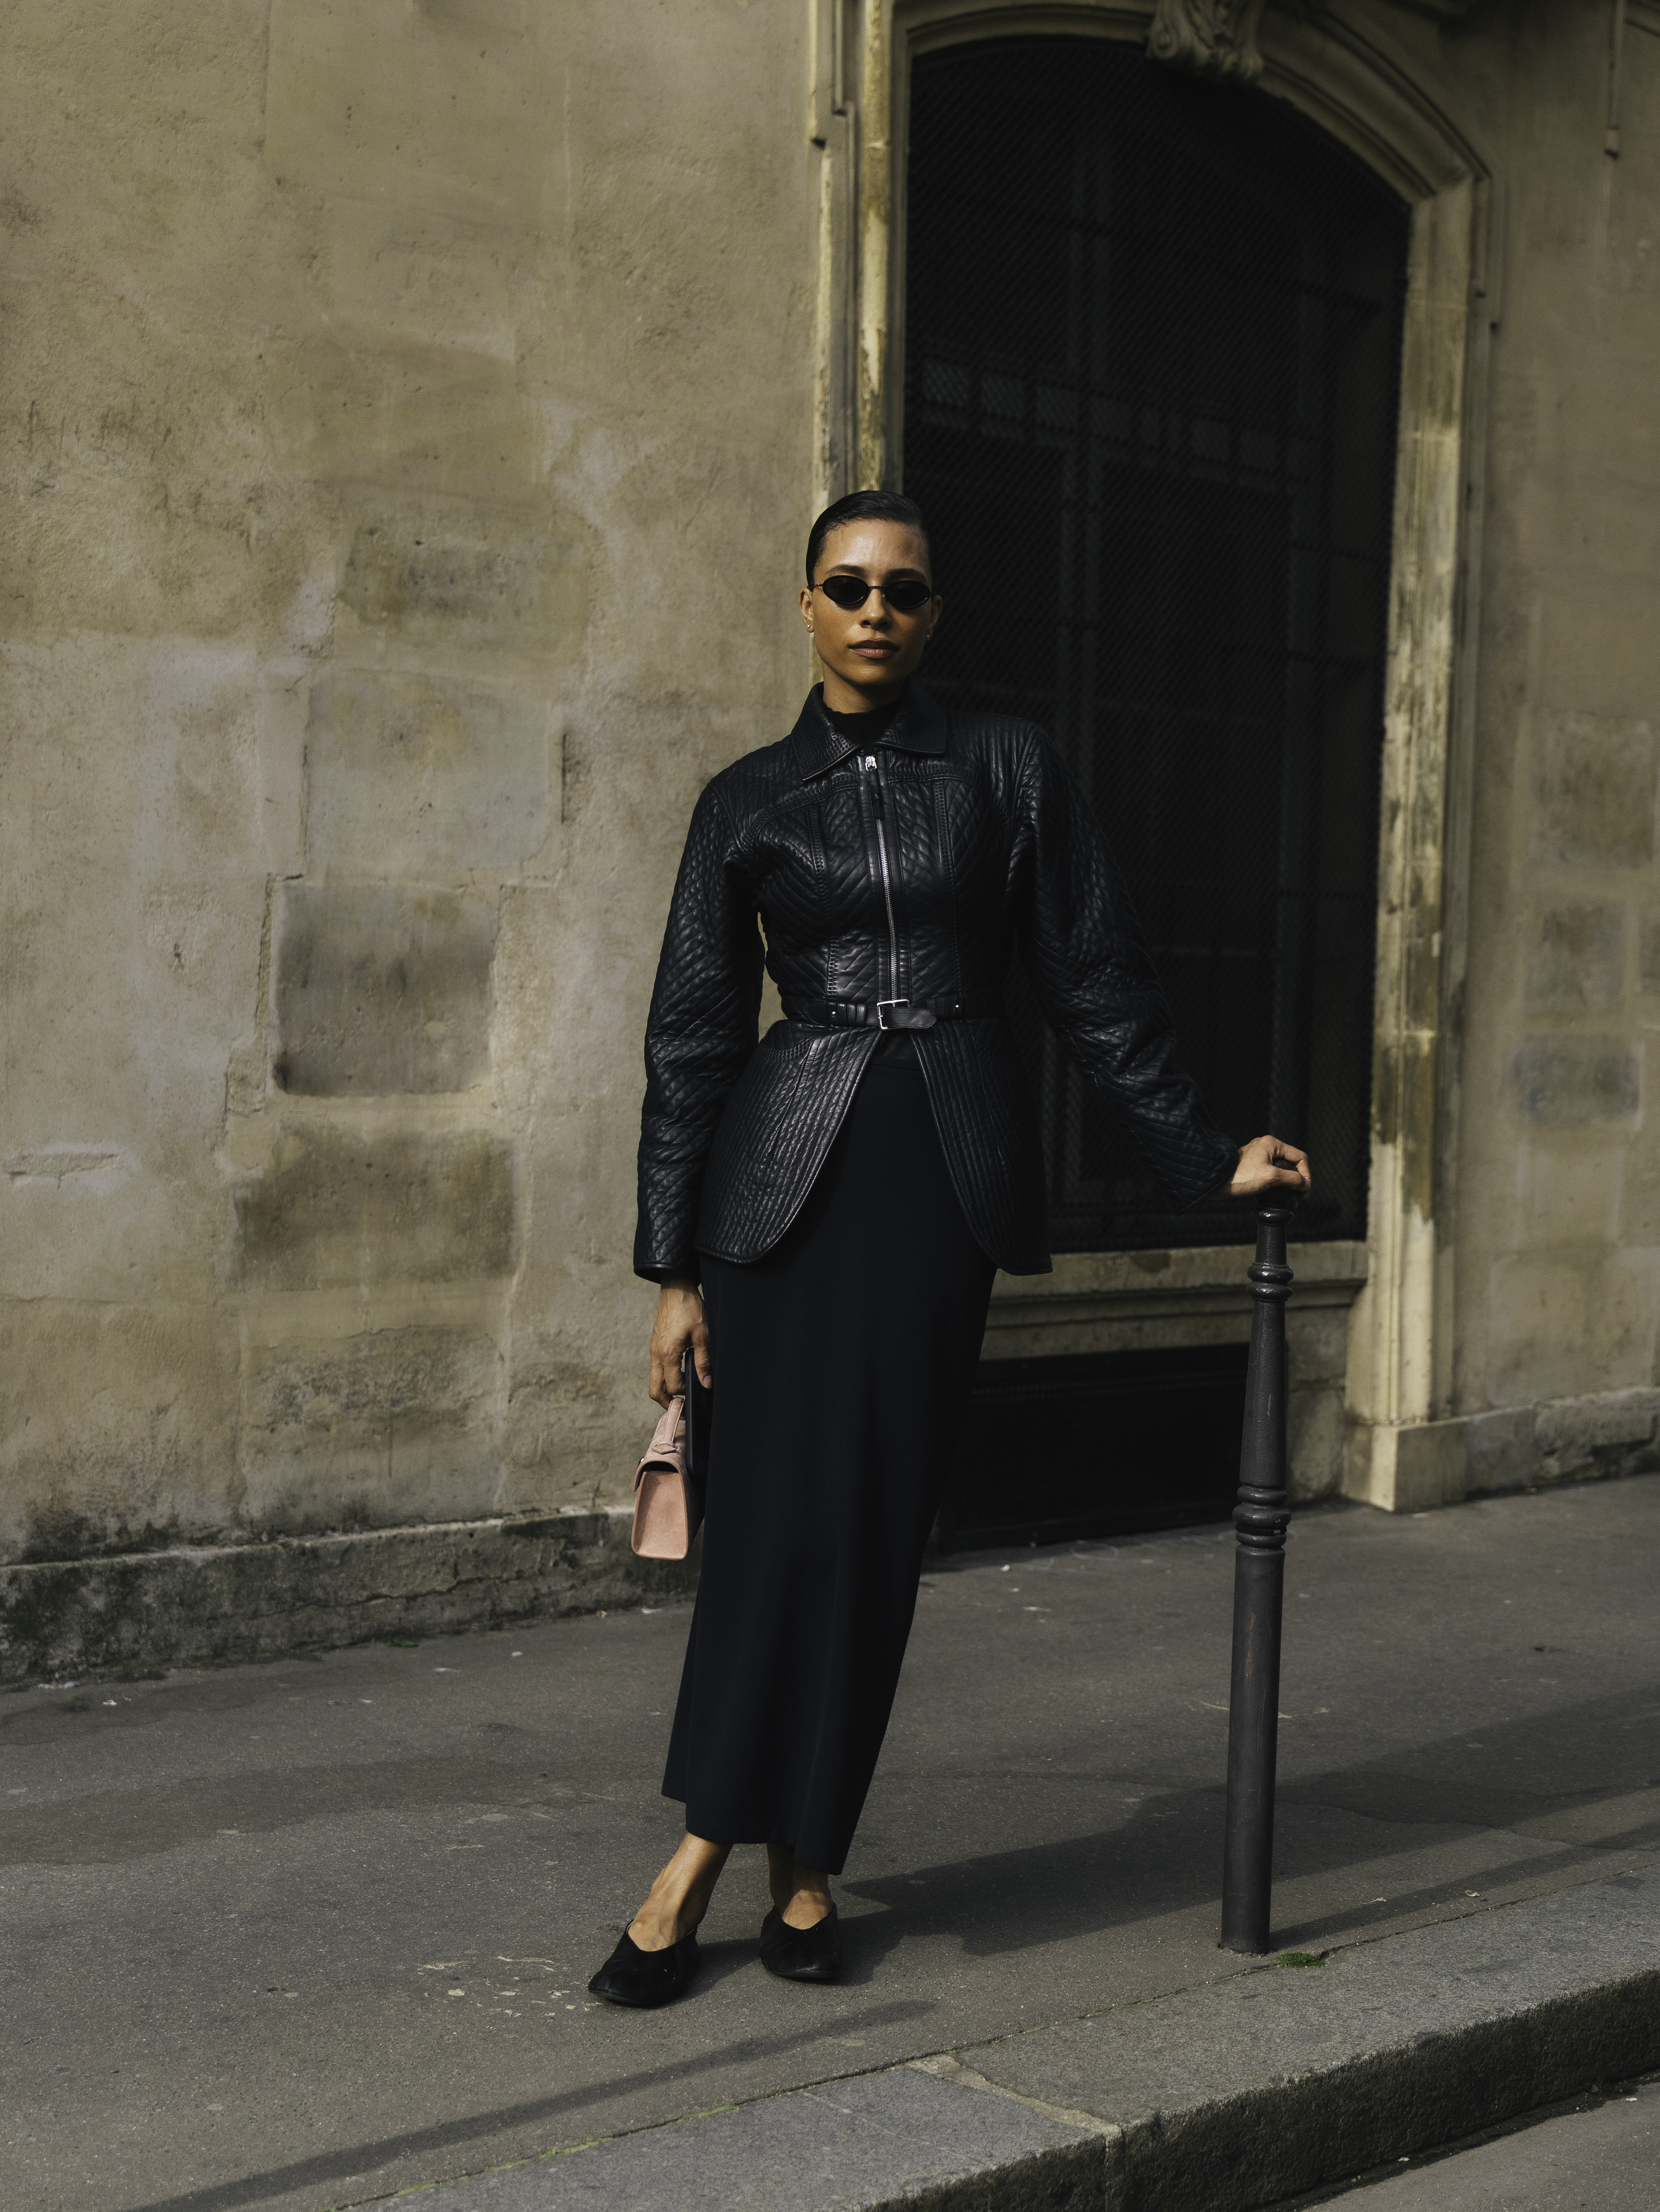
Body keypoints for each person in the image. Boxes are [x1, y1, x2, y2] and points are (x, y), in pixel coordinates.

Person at [587, 489, 1311, 2008]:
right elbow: (693, 1040)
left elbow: (1093, 979)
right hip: (773, 1186)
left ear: (933, 614)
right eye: (847, 585)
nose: (875, 612)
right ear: (804, 603)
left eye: (902, 591)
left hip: (935, 1182)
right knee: (767, 1531)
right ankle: (734, 1856)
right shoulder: (745, 799)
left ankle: (781, 1855)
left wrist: (1200, 1152)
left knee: (866, 1530)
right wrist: (672, 1270)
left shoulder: (1005, 767)